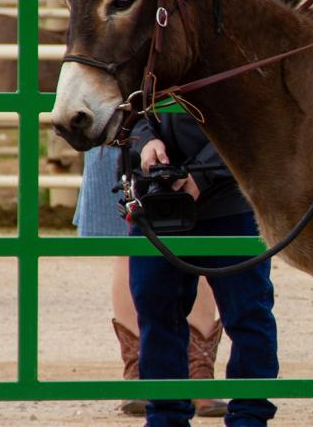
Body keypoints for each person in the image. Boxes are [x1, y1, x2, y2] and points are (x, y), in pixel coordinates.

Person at [128, 112, 278, 426]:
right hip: (157, 196)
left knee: (247, 313)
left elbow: (252, 115)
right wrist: (144, 141)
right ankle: (166, 417)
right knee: (157, 311)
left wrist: (202, 173)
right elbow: (125, 104)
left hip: (230, 196)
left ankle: (249, 418)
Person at [74, 145, 228, 418]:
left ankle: (191, 370)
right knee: (133, 240)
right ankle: (149, 373)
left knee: (195, 236)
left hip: (178, 134)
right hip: (127, 134)